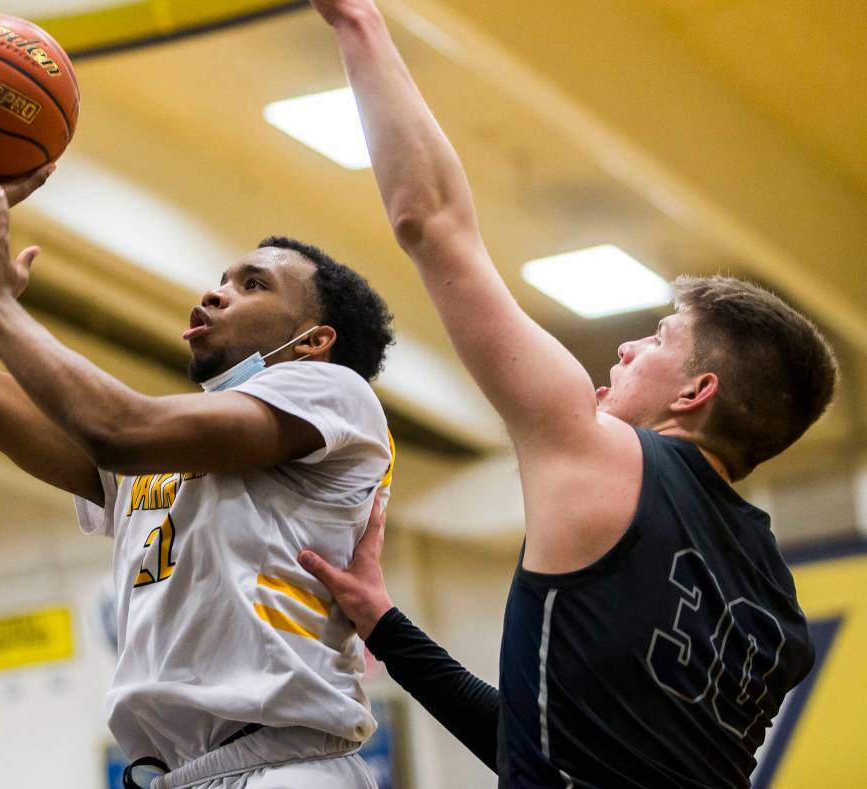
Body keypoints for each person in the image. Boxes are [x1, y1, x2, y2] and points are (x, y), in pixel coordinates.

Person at [298, 1, 839, 787]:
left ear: (696, 391)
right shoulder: (777, 610)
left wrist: (359, 25)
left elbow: (431, 221)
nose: (625, 348)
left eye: (655, 338)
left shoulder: (599, 451)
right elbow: (537, 742)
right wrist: (385, 623)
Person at [0, 162, 395, 789]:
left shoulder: (337, 395)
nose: (215, 293)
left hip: (286, 765)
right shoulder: (162, 449)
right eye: (220, 278)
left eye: (253, 285)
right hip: (174, 773)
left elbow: (119, 428)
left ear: (312, 341)